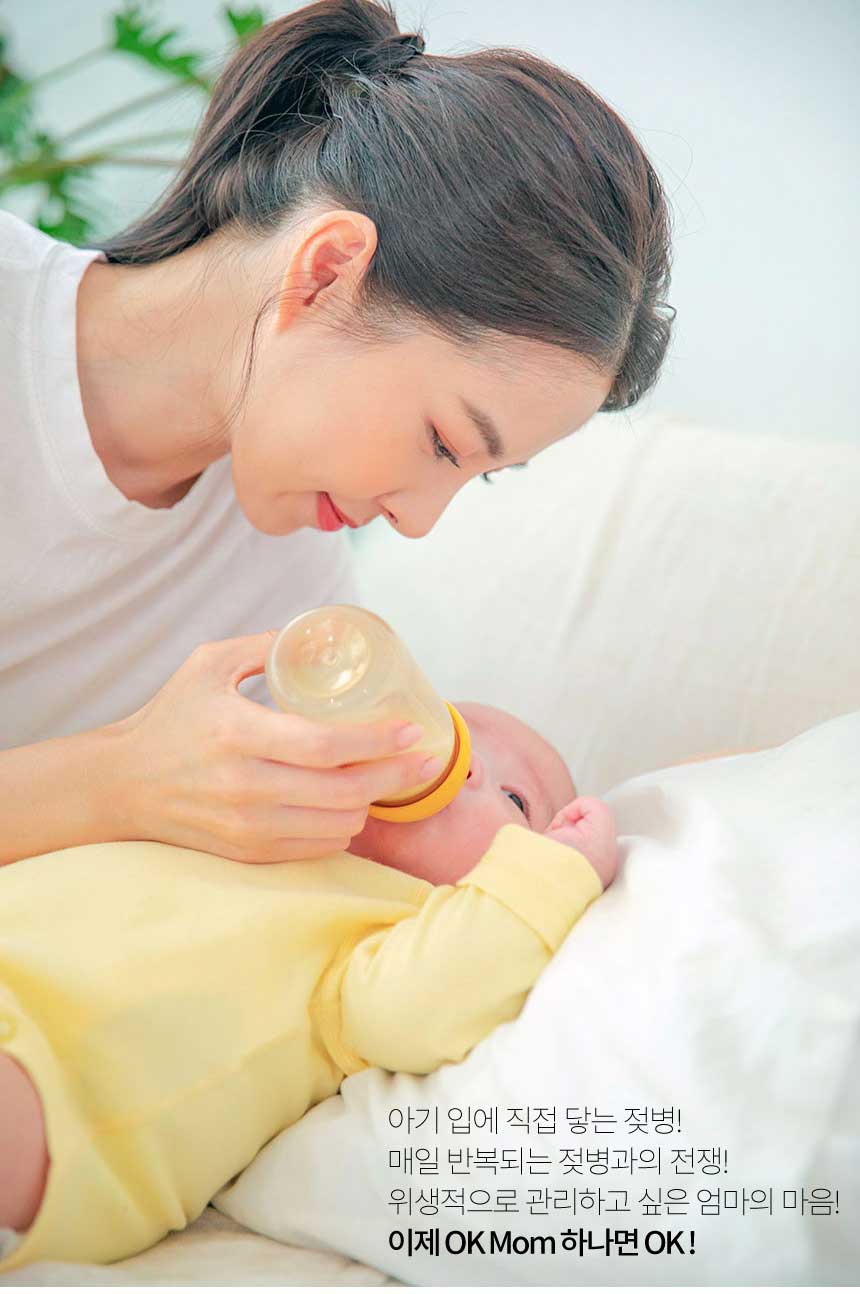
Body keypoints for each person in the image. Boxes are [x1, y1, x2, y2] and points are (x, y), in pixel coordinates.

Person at [0, 0, 674, 869]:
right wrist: (115, 781)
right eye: (444, 443)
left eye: (478, 474)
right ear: (324, 273)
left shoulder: (286, 601)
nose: (417, 521)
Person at [0, 701, 618, 1270]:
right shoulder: (227, 817)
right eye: (443, 723)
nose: (465, 762)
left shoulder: (393, 920)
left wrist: (554, 874)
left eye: (516, 799)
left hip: (61, 1084)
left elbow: (408, 1013)